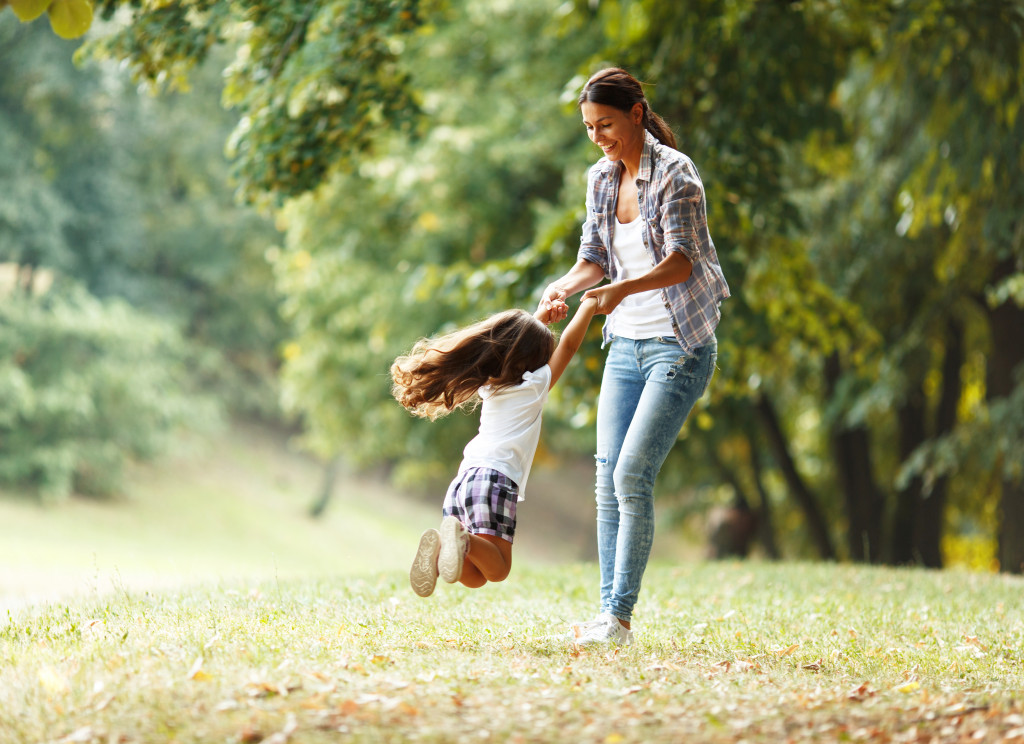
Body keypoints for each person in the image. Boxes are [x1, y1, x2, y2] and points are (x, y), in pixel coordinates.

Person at [538, 67, 730, 646]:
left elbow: (682, 262)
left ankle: (619, 618)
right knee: (605, 480)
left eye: (607, 124)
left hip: (680, 343)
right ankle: (605, 616)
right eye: (590, 128)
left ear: (637, 114)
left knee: (631, 474)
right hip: (624, 344)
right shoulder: (599, 178)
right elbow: (593, 258)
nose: (599, 137)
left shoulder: (678, 175)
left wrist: (620, 291)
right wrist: (563, 287)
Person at [392, 298, 598, 597]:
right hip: (495, 478)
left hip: (465, 481)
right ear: (535, 361)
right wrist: (589, 306)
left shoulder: (491, 383)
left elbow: (518, 345)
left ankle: (442, 549)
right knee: (499, 569)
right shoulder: (534, 384)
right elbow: (568, 346)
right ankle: (459, 538)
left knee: (475, 577)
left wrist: (537, 323)